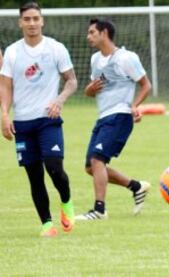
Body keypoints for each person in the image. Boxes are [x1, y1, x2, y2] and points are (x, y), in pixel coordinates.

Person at [0, 1, 78, 237]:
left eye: (35, 18)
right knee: (34, 176)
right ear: (20, 22)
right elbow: (5, 86)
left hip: (48, 119)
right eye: (27, 19)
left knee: (54, 168)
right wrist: (4, 114)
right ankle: (47, 224)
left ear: (42, 21)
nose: (32, 23)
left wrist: (60, 100)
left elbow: (72, 81)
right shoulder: (13, 51)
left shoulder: (56, 48)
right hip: (23, 123)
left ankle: (66, 202)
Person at [75, 18, 152, 220]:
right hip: (103, 117)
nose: (88, 36)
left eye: (92, 32)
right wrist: (88, 90)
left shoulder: (127, 58)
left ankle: (99, 210)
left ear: (104, 33)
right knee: (91, 167)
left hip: (120, 116)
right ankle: (136, 187)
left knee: (98, 159)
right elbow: (92, 91)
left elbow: (146, 85)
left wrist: (134, 106)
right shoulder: (95, 60)